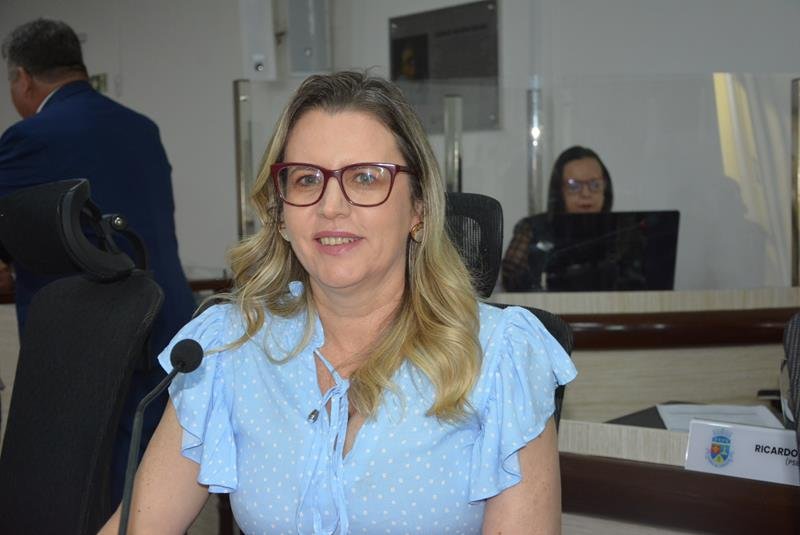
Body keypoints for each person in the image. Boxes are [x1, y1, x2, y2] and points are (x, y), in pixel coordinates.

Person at [99, 71, 576, 534]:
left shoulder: (500, 356)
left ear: (419, 208)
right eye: (307, 179)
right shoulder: (227, 347)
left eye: (365, 177)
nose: (331, 206)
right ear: (281, 214)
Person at [0, 19, 196, 506]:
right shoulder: (142, 129)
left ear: (22, 78)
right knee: (150, 477)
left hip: (85, 341)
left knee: (80, 488)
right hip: (163, 324)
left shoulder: (30, 137)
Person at [501, 145, 614, 291]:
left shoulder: (623, 230)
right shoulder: (533, 229)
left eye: (594, 184)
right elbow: (510, 281)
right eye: (574, 186)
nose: (586, 194)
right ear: (559, 191)